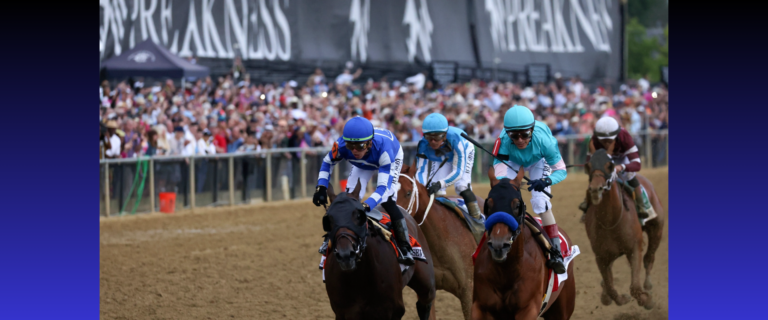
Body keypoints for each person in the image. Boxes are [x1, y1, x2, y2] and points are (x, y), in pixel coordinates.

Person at [311, 116, 414, 265]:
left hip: (391, 155)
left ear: (370, 143)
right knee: (348, 202)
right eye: (350, 145)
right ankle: (329, 241)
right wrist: (321, 187)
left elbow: (383, 188)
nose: (354, 151)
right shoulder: (340, 146)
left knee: (388, 200)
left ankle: (405, 247)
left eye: (359, 146)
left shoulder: (384, 151)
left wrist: (367, 205)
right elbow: (327, 162)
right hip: (363, 164)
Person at [491, 105, 568, 274]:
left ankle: (556, 253)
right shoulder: (503, 140)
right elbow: (498, 164)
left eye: (525, 135)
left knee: (540, 200)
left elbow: (561, 171)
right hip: (513, 160)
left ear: (532, 130)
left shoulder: (545, 141)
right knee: (504, 192)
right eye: (514, 135)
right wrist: (506, 184)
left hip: (539, 161)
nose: (519, 140)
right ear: (507, 133)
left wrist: (546, 180)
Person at [578, 117, 657, 222]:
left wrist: (621, 167)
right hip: (604, 160)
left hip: (622, 158)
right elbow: (589, 163)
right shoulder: (594, 139)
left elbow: (637, 164)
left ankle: (642, 206)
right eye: (603, 141)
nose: (606, 144)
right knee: (595, 178)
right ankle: (587, 203)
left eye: (609, 140)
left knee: (630, 176)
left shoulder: (625, 137)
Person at [414, 113, 481, 219]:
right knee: (432, 187)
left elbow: (458, 172)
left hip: (463, 150)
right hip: (443, 153)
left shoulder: (458, 140)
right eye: (429, 137)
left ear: (445, 135)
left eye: (437, 137)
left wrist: (441, 183)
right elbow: (421, 171)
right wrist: (422, 187)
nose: (433, 142)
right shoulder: (423, 144)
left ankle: (477, 218)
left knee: (462, 186)